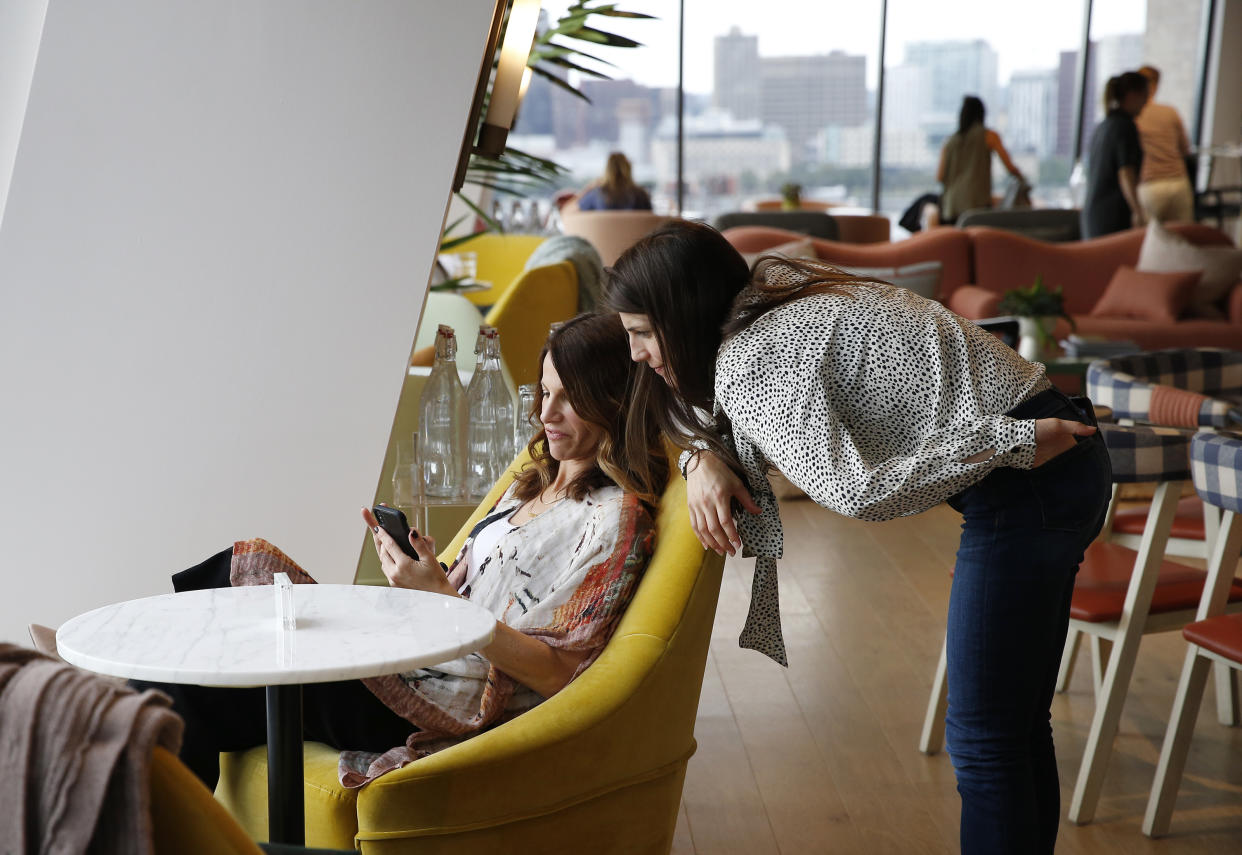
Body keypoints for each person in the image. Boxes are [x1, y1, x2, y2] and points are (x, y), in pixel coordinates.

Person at [606, 220, 1112, 855]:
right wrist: (698, 459)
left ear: (683, 315)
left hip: (1035, 467)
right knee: (1010, 730)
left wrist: (1014, 441)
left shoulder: (755, 357)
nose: (636, 354)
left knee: (986, 738)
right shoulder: (770, 300)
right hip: (1051, 457)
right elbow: (702, 424)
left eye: (642, 334)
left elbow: (857, 491)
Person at [132, 312, 666, 790]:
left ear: (614, 401)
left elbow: (559, 673)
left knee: (217, 611)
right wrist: (430, 576)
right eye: (543, 392)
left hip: (434, 701)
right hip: (413, 653)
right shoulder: (530, 483)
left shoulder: (612, 520)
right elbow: (478, 592)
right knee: (184, 687)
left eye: (569, 398)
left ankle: (119, 666)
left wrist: (446, 602)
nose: (547, 413)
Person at [1082, 72, 1150, 238]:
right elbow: (1126, 173)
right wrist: (1138, 211)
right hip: (1112, 215)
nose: (1146, 103)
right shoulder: (1125, 127)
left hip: (1093, 214)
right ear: (1133, 95)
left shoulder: (1103, 126)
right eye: (1145, 96)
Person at [937, 96, 1024, 225]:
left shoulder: (949, 142)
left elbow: (939, 177)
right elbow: (1010, 168)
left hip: (951, 206)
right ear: (982, 114)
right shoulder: (989, 136)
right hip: (976, 205)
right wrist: (1022, 178)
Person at [1135, 65, 1194, 224]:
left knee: (1150, 242)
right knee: (1183, 240)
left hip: (1150, 185)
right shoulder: (1170, 112)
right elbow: (1185, 149)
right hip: (1178, 183)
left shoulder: (1135, 116)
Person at [575, 151, 652, 211]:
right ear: (629, 169)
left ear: (607, 170)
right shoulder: (641, 195)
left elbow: (569, 211)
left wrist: (589, 187)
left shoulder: (597, 194)